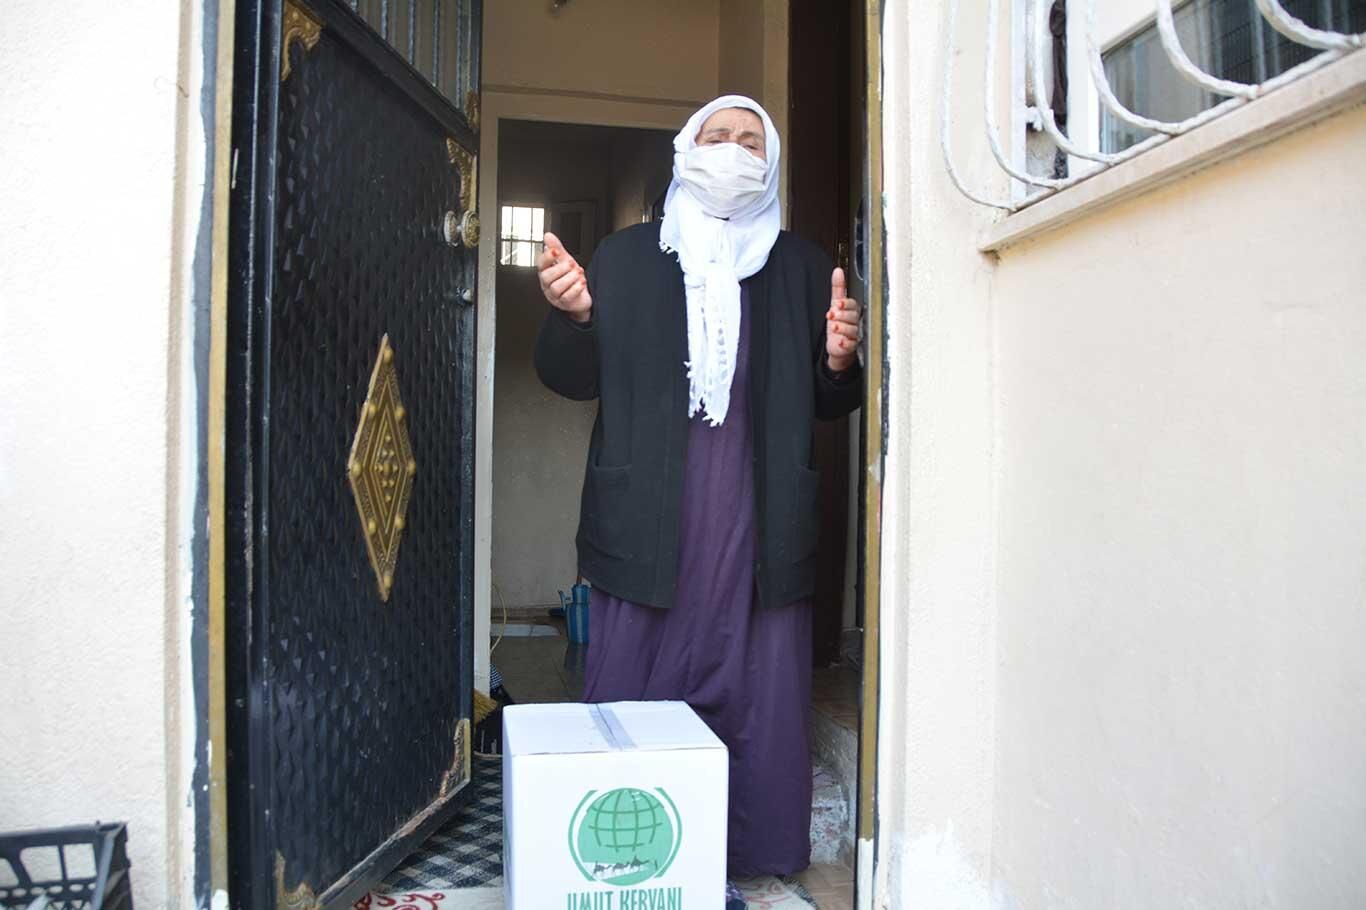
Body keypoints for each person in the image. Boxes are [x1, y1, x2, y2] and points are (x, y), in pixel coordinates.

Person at [533, 95, 863, 898]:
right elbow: (571, 379)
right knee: (635, 683)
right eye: (718, 137)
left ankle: (748, 850)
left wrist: (838, 361)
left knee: (756, 690)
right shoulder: (625, 258)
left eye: (751, 141)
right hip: (647, 519)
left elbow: (830, 401)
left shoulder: (799, 266)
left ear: (771, 163)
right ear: (687, 150)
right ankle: (622, 860)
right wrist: (574, 315)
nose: (733, 152)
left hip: (758, 520)